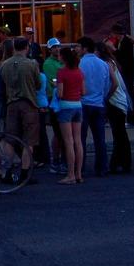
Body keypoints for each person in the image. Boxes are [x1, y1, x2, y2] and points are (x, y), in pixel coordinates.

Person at [0, 37, 41, 184]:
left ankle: (7, 171)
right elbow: (38, 84)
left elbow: (2, 84)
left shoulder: (5, 65)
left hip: (11, 103)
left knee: (10, 139)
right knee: (29, 140)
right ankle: (24, 173)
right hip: (28, 103)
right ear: (27, 47)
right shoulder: (31, 64)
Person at [77, 37, 110, 178]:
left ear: (85, 48)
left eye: (78, 47)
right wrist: (103, 97)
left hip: (83, 103)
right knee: (100, 138)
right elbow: (107, 83)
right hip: (98, 103)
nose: (76, 49)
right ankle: (102, 167)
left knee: (81, 138)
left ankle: (81, 166)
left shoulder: (80, 64)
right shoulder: (103, 64)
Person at [98, 42, 133, 174]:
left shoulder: (107, 64)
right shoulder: (112, 62)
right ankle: (123, 161)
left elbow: (115, 83)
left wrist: (107, 96)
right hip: (119, 100)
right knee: (120, 133)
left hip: (115, 101)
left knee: (118, 133)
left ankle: (118, 162)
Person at [54, 47, 85, 184]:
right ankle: (79, 174)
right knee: (78, 140)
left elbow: (60, 93)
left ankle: (70, 174)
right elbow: (84, 91)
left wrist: (56, 89)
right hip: (78, 105)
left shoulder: (61, 72)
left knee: (68, 141)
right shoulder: (79, 72)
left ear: (63, 58)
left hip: (65, 106)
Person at [41, 38, 65, 172]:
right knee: (58, 133)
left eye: (58, 46)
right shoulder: (48, 63)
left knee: (63, 133)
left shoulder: (62, 62)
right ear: (49, 50)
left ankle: (61, 159)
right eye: (54, 47)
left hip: (63, 99)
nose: (57, 49)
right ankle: (55, 160)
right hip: (54, 100)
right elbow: (53, 81)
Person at [109, 24, 134, 125]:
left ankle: (132, 118)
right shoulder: (119, 42)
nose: (112, 35)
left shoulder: (126, 41)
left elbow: (122, 55)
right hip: (123, 70)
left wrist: (112, 48)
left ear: (116, 33)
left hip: (127, 70)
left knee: (129, 92)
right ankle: (129, 116)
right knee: (126, 92)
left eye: (113, 33)